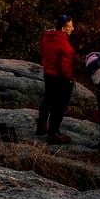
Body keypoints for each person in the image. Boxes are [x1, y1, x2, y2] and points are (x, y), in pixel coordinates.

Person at [38, 14, 78, 144]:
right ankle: (53, 133)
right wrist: (69, 79)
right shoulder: (62, 42)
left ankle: (41, 126)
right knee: (59, 105)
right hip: (59, 77)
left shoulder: (47, 36)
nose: (73, 29)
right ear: (63, 28)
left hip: (48, 73)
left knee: (48, 99)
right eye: (70, 27)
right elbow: (65, 65)